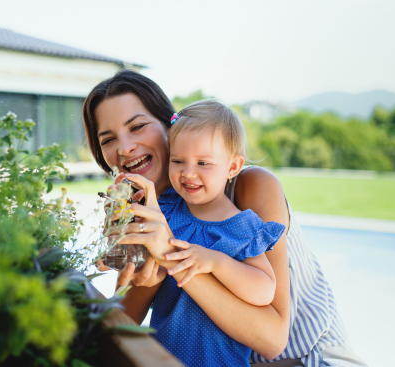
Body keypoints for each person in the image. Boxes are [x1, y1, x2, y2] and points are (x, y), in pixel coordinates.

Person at [82, 70, 368, 367]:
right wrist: (135, 262)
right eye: (108, 139)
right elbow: (120, 325)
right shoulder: (150, 211)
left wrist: (169, 254)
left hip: (309, 357)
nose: (125, 147)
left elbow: (272, 340)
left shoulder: (250, 187)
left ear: (171, 125)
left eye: (138, 126)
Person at [146, 100, 286, 367]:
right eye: (178, 160)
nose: (188, 173)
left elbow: (264, 290)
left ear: (232, 167)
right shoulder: (166, 210)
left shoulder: (241, 227)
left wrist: (217, 262)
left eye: (203, 163)